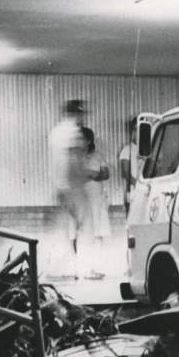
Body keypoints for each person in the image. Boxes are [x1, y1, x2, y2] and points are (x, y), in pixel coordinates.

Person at [49, 99, 89, 270]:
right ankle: (76, 266)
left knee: (67, 228)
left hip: (60, 185)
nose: (81, 118)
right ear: (75, 113)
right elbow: (71, 160)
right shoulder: (72, 132)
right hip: (72, 185)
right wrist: (72, 187)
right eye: (80, 114)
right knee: (78, 226)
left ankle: (65, 267)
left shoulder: (55, 131)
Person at [81, 126, 111, 280]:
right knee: (86, 234)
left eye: (82, 139)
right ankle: (86, 269)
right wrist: (90, 173)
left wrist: (92, 174)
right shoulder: (76, 157)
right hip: (83, 201)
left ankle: (98, 268)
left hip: (97, 200)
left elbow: (106, 174)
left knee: (99, 233)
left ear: (89, 141)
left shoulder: (98, 155)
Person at [117, 117, 144, 214]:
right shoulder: (126, 149)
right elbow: (125, 172)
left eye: (140, 129)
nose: (137, 133)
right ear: (132, 131)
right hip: (133, 191)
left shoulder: (151, 150)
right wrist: (138, 184)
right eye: (135, 129)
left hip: (147, 191)